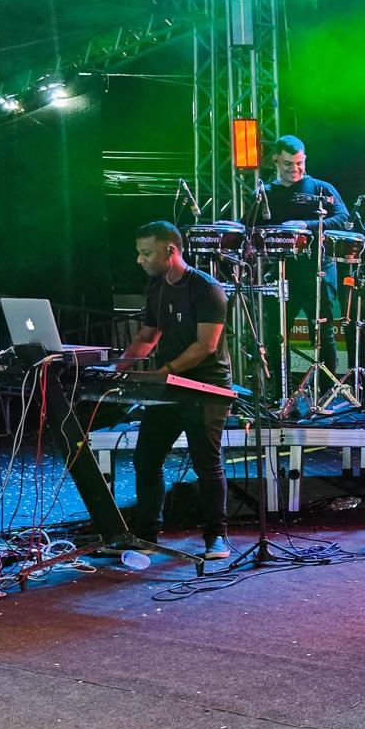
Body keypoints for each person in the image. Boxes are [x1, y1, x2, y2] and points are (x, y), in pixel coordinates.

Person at [118, 221, 235, 560]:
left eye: (146, 253)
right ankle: (145, 535)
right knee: (146, 458)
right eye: (139, 253)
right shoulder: (156, 287)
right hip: (168, 385)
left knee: (206, 464)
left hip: (206, 386)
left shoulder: (207, 288)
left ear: (170, 251)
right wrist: (118, 368)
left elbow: (206, 345)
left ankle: (216, 538)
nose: (140, 260)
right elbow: (147, 336)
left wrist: (164, 372)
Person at [257, 135, 352, 380]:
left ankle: (327, 391)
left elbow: (343, 217)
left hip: (318, 269)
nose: (295, 169)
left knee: (323, 332)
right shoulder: (266, 193)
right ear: (275, 160)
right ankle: (282, 392)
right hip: (282, 271)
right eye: (288, 164)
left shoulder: (321, 189)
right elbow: (251, 224)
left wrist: (306, 225)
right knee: (277, 334)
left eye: (300, 163)